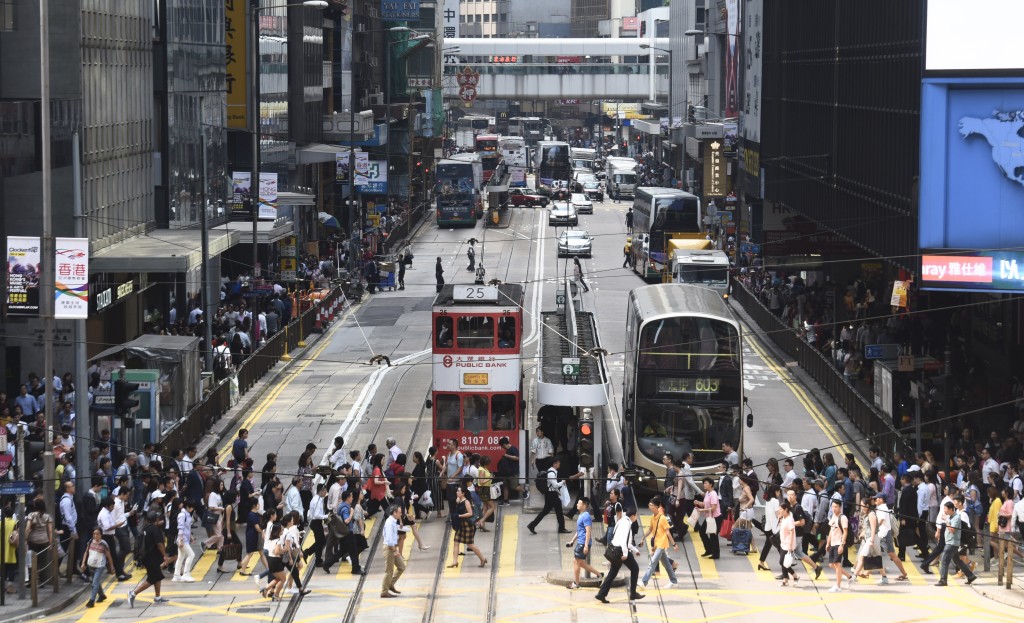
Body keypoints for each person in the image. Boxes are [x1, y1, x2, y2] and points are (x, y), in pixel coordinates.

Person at [594, 505, 643, 603]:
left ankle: (601, 594)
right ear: (633, 516)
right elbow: (624, 541)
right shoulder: (627, 524)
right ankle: (633, 593)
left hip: (614, 549)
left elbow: (625, 540)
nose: (636, 517)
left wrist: (635, 550)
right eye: (636, 516)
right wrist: (625, 553)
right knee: (635, 569)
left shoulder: (622, 521)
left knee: (612, 573)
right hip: (621, 551)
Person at [128, 512, 170, 608]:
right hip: (152, 558)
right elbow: (159, 544)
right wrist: (165, 556)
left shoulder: (145, 529)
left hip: (147, 557)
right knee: (152, 579)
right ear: (156, 520)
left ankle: (158, 597)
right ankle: (133, 593)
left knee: (157, 576)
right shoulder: (155, 530)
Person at [639, 495, 679, 589]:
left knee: (652, 562)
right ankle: (674, 581)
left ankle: (644, 582)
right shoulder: (653, 517)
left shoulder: (662, 518)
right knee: (667, 564)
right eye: (649, 505)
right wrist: (643, 538)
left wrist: (674, 544)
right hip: (657, 544)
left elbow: (668, 532)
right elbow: (650, 529)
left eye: (651, 505)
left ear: (657, 507)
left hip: (662, 544)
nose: (649, 507)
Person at [936, 501, 977, 586]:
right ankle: (970, 576)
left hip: (952, 543)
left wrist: (946, 520)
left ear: (951, 509)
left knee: (944, 561)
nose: (944, 510)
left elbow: (952, 530)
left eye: (945, 508)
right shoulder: (951, 517)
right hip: (951, 542)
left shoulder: (956, 518)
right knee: (957, 561)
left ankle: (943, 580)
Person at [565, 497, 603, 590]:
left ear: (584, 505)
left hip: (583, 543)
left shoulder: (586, 516)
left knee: (577, 562)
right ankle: (599, 574)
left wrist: (586, 545)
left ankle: (576, 583)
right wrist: (572, 541)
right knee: (580, 563)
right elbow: (579, 531)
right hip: (580, 542)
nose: (577, 504)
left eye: (579, 503)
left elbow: (588, 531)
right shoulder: (581, 515)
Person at [528, 457, 573, 535]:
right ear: (554, 464)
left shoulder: (552, 471)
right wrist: (562, 482)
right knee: (558, 511)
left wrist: (557, 491)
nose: (559, 464)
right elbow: (555, 485)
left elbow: (552, 486)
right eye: (558, 463)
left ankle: (532, 525)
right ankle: (561, 528)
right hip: (551, 495)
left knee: (545, 511)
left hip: (551, 494)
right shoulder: (551, 473)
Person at [80, 527, 114, 608]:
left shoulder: (104, 544)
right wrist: (83, 563)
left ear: (101, 535)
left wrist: (112, 567)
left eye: (97, 534)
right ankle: (102, 595)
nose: (95, 535)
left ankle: (91, 600)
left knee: (94, 583)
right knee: (96, 582)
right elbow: (86, 552)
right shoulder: (90, 541)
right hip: (90, 565)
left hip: (100, 566)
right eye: (94, 534)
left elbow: (109, 556)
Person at [825, 499, 853, 592]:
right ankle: (849, 576)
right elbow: (831, 530)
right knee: (831, 564)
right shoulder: (833, 516)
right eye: (833, 507)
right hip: (833, 543)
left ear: (840, 507)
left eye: (836, 507)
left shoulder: (843, 517)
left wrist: (842, 545)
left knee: (837, 564)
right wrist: (828, 543)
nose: (834, 509)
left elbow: (845, 532)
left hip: (839, 543)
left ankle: (838, 586)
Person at [381, 505, 407, 598]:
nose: (401, 514)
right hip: (389, 549)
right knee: (389, 571)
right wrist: (395, 550)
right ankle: (384, 591)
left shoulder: (393, 522)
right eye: (399, 512)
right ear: (394, 513)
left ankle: (390, 584)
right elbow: (388, 539)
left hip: (392, 548)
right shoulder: (389, 523)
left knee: (402, 566)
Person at [694, 477, 721, 559]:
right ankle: (709, 550)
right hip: (709, 517)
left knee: (713, 535)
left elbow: (713, 508)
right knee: (702, 532)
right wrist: (699, 503)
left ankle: (716, 554)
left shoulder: (713, 494)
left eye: (706, 483)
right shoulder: (707, 493)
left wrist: (702, 510)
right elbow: (705, 504)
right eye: (704, 483)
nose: (704, 485)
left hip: (715, 517)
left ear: (711, 484)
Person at [173, 499, 198, 582]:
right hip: (182, 539)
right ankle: (186, 574)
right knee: (191, 555)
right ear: (187, 507)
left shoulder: (187, 515)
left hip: (184, 539)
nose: (192, 509)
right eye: (192, 508)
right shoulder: (182, 515)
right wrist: (181, 540)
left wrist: (191, 538)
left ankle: (176, 575)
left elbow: (187, 529)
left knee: (181, 557)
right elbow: (180, 528)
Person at [777, 500, 799, 586]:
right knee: (784, 562)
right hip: (783, 542)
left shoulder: (790, 519)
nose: (780, 511)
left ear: (786, 509)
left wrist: (790, 545)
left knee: (782, 562)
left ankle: (795, 576)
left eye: (781, 509)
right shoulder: (784, 518)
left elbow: (791, 532)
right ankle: (785, 579)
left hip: (788, 544)